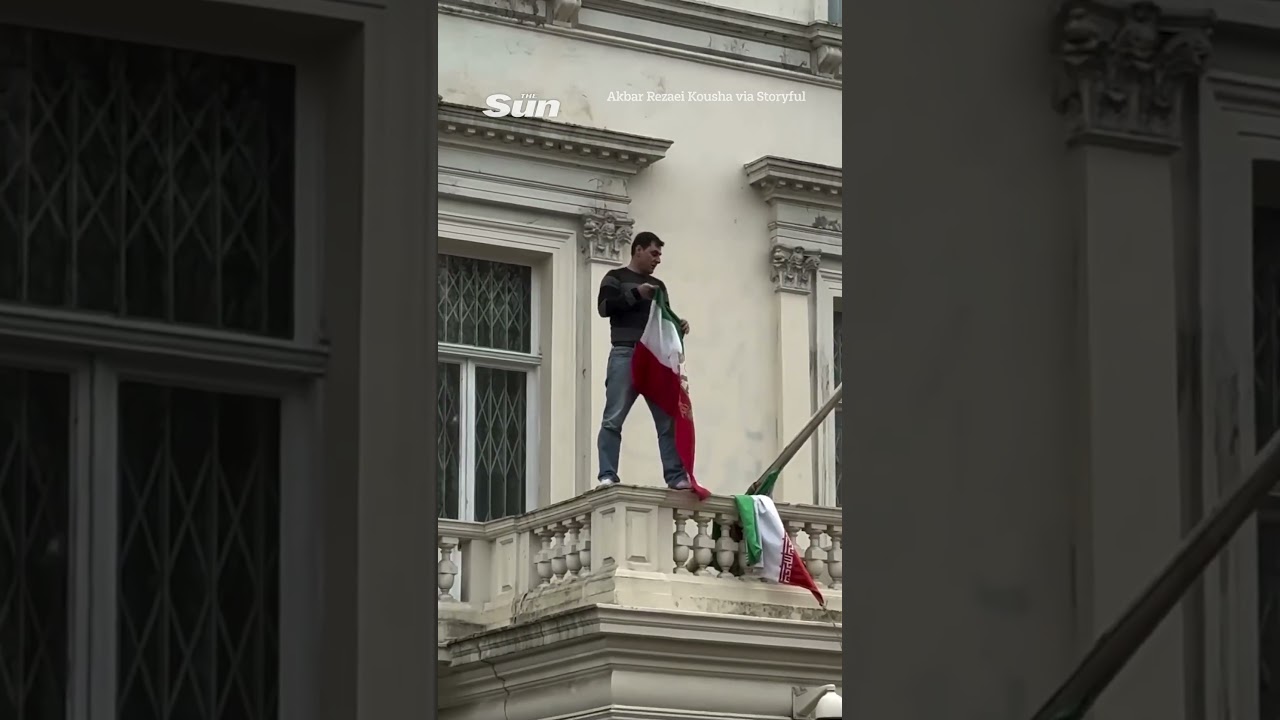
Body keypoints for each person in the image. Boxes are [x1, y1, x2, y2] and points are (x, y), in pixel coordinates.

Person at [595, 231, 691, 489]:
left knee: (667, 419)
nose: (657, 260)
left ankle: (675, 477)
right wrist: (636, 294)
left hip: (653, 356)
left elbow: (663, 318)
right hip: (625, 353)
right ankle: (607, 474)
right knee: (613, 417)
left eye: (659, 255)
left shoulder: (659, 286)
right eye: (654, 253)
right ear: (637, 250)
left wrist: (678, 323)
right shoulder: (615, 277)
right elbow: (605, 308)